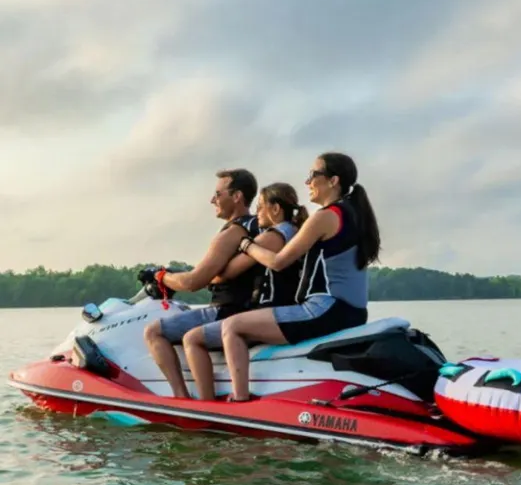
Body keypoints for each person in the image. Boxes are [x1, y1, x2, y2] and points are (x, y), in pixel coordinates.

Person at [221, 152, 381, 402]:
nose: (307, 182)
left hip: (326, 309)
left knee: (232, 326)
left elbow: (278, 262)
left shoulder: (326, 216)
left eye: (312, 175)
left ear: (333, 180)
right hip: (353, 311)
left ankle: (239, 400)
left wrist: (245, 246)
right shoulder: (354, 214)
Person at [182, 182, 308, 400]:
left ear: (276, 209)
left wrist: (210, 273)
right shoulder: (295, 232)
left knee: (193, 338)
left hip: (272, 311)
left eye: (260, 207)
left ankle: (215, 402)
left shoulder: (275, 235)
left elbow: (232, 269)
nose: (256, 213)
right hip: (281, 309)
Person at [141, 168, 260, 399]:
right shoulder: (258, 227)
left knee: (153, 331)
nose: (212, 200)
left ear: (237, 196)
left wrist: (160, 276)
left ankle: (182, 398)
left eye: (218, 194)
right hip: (249, 308)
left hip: (228, 310)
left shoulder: (233, 231)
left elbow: (194, 281)